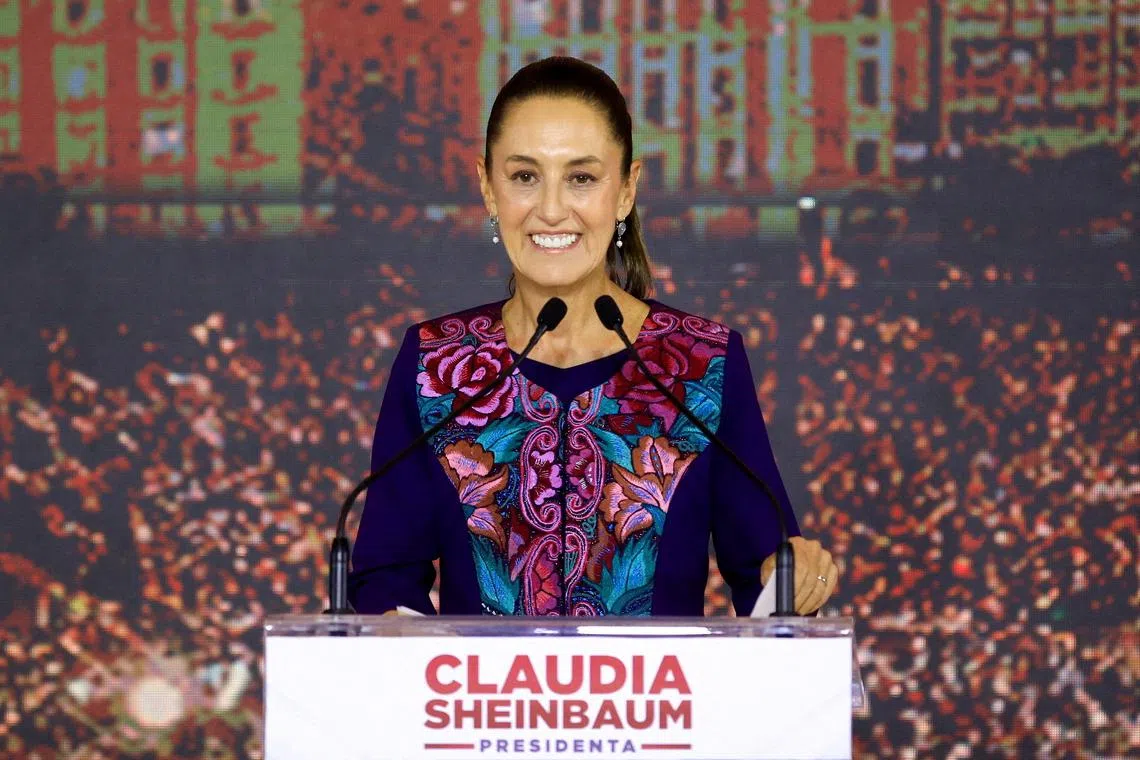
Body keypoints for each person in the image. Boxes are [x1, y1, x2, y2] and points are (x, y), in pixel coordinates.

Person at [348, 57, 838, 617]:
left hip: (662, 705)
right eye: (524, 176)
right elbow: (384, 581)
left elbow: (767, 578)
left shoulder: (703, 364)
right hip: (480, 705)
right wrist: (393, 627)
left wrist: (796, 577)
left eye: (581, 178)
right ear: (488, 187)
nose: (552, 209)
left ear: (626, 190)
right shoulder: (435, 363)